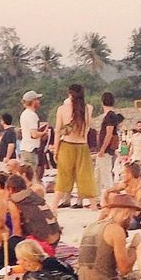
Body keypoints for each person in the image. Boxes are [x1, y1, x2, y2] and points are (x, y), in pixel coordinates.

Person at [78, 194, 141, 280]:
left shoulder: (91, 226)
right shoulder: (116, 230)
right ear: (126, 213)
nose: (131, 220)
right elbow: (125, 270)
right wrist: (135, 246)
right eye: (131, 216)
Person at [51, 84, 98, 212]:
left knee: (63, 176)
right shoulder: (88, 109)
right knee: (86, 176)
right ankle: (93, 205)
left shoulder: (62, 109)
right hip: (82, 146)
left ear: (70, 94)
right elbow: (87, 130)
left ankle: (54, 205)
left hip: (66, 145)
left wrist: (55, 150)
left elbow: (57, 131)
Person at [6, 174, 60, 247]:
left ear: (10, 189)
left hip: (42, 243)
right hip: (55, 238)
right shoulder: (33, 195)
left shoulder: (13, 201)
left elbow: (17, 230)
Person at [95, 92, 118, 202]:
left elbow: (109, 134)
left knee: (106, 175)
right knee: (98, 174)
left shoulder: (109, 116)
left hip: (106, 150)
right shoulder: (111, 115)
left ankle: (111, 198)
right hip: (105, 150)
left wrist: (103, 149)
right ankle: (97, 198)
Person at [20, 91, 49, 169]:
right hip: (31, 150)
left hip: (25, 148)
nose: (39, 101)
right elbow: (34, 134)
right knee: (31, 173)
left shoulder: (24, 114)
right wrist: (44, 132)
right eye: (37, 99)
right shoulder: (32, 115)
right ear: (33, 101)